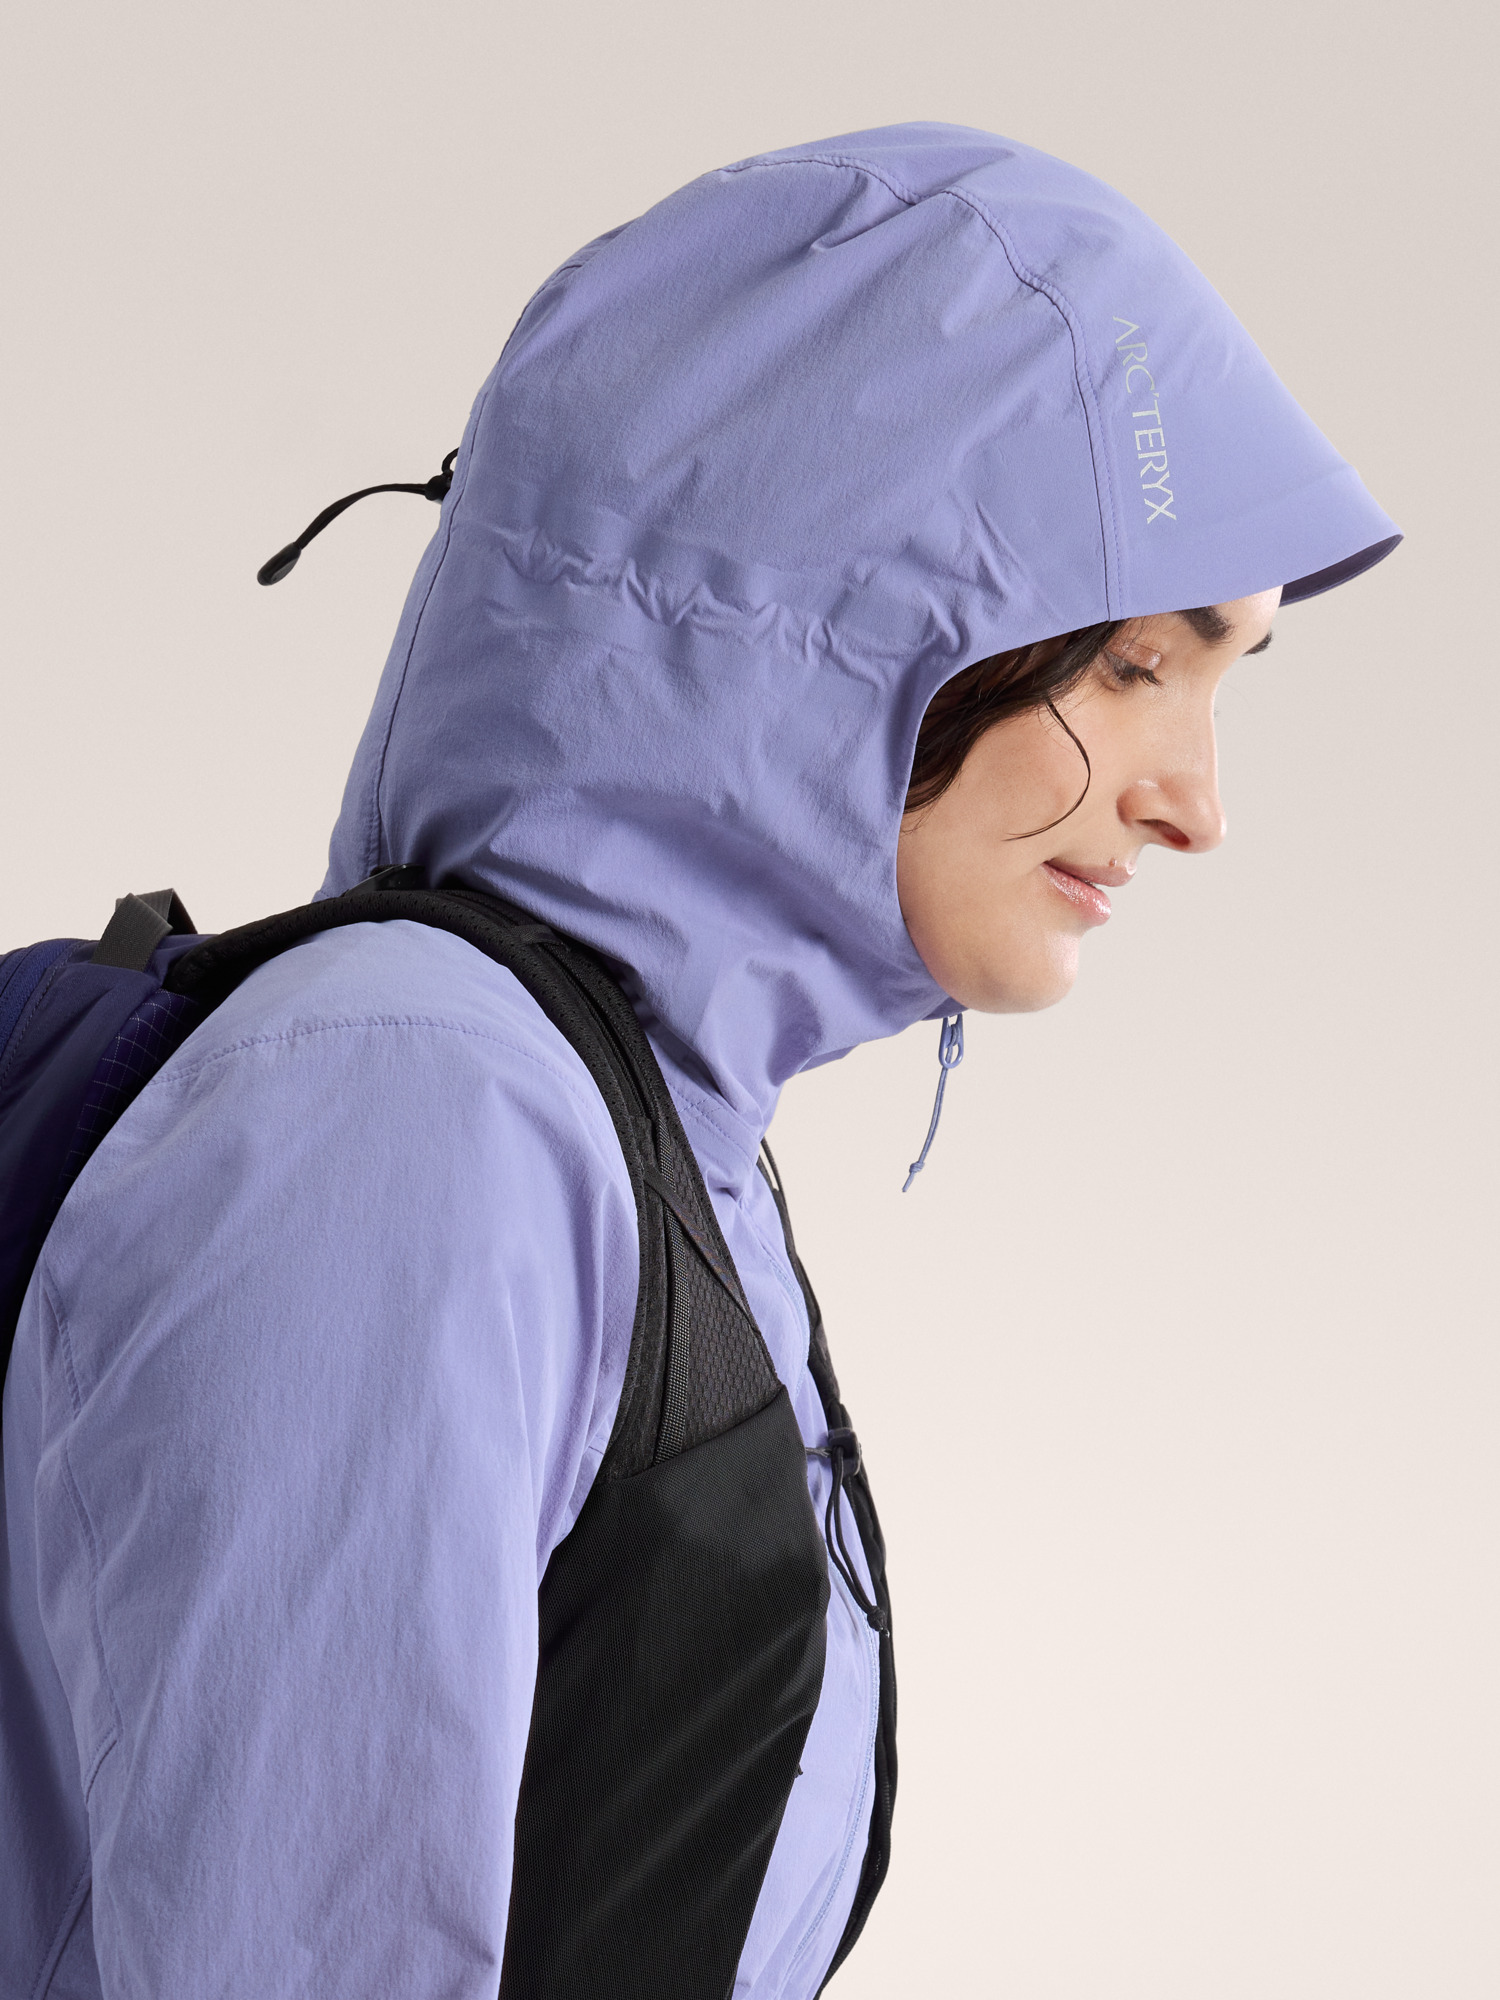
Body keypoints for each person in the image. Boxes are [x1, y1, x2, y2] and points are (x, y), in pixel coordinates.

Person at [1, 123, 1397, 1998]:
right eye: (1138, 665)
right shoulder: (420, 1112)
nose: (1196, 804)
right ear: (834, 609)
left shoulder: (634, 1123)